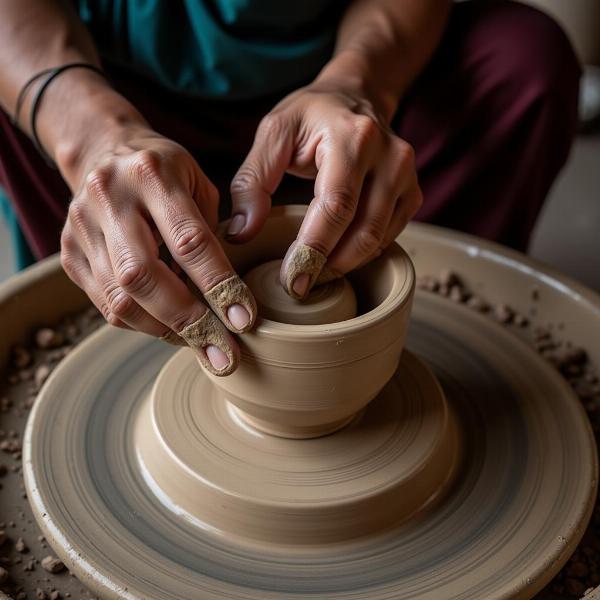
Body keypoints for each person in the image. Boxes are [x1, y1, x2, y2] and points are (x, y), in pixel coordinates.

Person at [0, 0, 580, 375]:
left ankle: (413, 326)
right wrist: (94, 137)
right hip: (114, 84)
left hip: (334, 84)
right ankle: (130, 311)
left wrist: (360, 85)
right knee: (27, 116)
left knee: (525, 60)